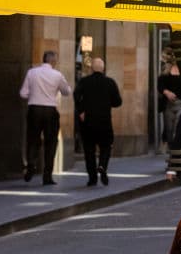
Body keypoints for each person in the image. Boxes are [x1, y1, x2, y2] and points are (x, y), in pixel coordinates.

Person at [19, 50, 72, 184]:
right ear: (53, 61)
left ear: (43, 59)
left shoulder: (32, 72)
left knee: (32, 139)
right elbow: (67, 91)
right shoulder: (57, 75)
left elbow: (23, 93)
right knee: (51, 143)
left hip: (34, 109)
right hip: (50, 111)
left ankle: (30, 164)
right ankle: (47, 176)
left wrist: (34, 95)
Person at [73, 56, 122, 187]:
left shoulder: (84, 81)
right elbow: (118, 102)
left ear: (91, 68)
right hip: (104, 120)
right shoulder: (110, 82)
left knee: (89, 150)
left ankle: (92, 178)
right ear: (103, 68)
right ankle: (102, 166)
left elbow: (76, 95)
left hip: (88, 121)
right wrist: (107, 102)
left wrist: (81, 110)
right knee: (106, 146)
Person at [157, 57, 181, 150]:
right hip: (168, 104)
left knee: (177, 127)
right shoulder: (166, 70)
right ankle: (170, 149)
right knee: (169, 129)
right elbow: (160, 85)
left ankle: (176, 150)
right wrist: (167, 92)